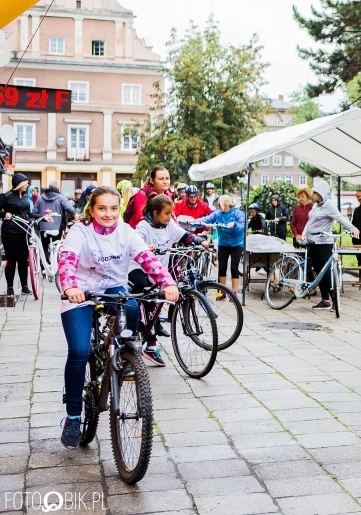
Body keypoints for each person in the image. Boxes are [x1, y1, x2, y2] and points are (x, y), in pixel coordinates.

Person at [57, 186, 179, 448]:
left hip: (113, 288)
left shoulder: (126, 232)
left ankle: (123, 354)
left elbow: (148, 260)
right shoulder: (80, 231)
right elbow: (67, 260)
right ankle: (73, 415)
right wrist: (69, 287)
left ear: (120, 209)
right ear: (92, 209)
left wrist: (168, 283)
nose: (108, 214)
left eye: (114, 208)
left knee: (133, 307)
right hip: (80, 291)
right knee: (78, 350)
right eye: (102, 208)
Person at [129, 194, 209, 366]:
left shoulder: (169, 225)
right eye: (166, 213)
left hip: (157, 271)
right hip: (137, 268)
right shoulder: (143, 226)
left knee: (156, 301)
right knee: (146, 298)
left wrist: (198, 240)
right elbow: (136, 241)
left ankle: (150, 337)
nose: (169, 216)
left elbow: (184, 235)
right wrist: (144, 246)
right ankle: (147, 342)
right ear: (156, 213)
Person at [299, 180, 360, 310]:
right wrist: (304, 234)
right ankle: (325, 300)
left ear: (321, 193)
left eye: (314, 192)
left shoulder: (329, 205)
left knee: (325, 272)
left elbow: (340, 218)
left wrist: (353, 229)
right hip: (312, 241)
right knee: (318, 271)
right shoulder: (316, 205)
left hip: (323, 243)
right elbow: (309, 222)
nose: (312, 194)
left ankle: (335, 302)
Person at [0, 173, 52, 296]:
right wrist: (4, 214)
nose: (27, 185)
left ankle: (25, 286)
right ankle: (10, 288)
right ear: (19, 184)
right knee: (11, 259)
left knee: (24, 259)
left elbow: (29, 214)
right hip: (10, 231)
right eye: (25, 183)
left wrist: (43, 218)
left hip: (25, 231)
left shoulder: (24, 198)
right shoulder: (6, 197)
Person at [195, 195, 246, 294]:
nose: (218, 207)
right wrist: (195, 222)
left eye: (220, 205)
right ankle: (223, 292)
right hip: (223, 244)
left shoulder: (238, 213)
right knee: (222, 267)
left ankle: (234, 292)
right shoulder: (217, 214)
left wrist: (234, 224)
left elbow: (241, 228)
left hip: (236, 244)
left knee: (234, 268)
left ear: (227, 205)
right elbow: (206, 219)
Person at [35, 181, 76, 264]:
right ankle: (55, 266)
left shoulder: (41, 197)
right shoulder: (61, 197)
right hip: (57, 227)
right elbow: (70, 209)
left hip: (43, 226)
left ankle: (44, 268)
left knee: (44, 247)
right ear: (57, 188)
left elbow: (34, 211)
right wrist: (75, 214)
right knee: (57, 247)